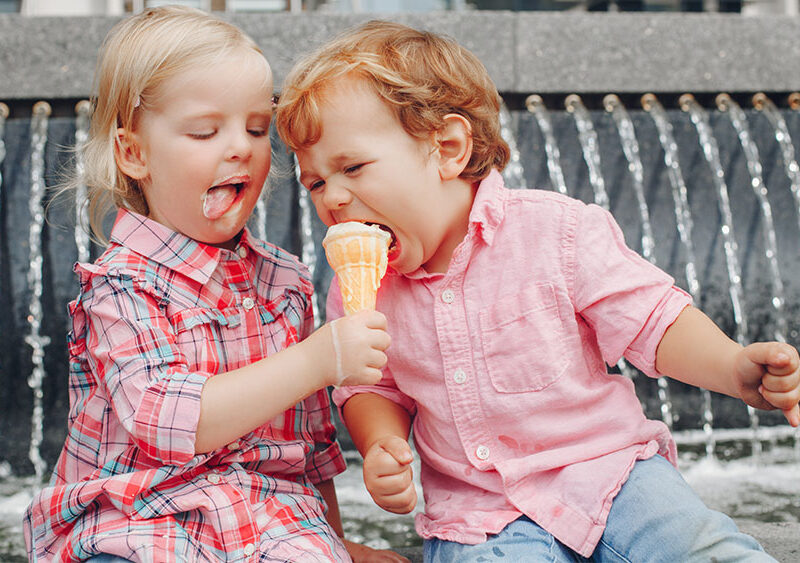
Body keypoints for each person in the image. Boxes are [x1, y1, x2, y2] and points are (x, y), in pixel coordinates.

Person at [274, 20, 800, 562]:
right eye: (316, 182)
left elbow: (651, 320)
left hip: (612, 477)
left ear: (448, 148)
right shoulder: (361, 291)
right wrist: (380, 443)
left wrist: (732, 368)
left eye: (353, 167)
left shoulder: (557, 232)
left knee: (703, 549)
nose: (332, 198)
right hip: (479, 517)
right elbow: (375, 388)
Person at [23, 7, 407, 563]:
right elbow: (165, 421)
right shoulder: (121, 286)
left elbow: (310, 448)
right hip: (140, 521)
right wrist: (316, 360)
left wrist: (337, 542)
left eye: (256, 129)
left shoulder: (285, 282)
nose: (241, 147)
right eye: (205, 131)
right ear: (134, 154)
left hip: (274, 524)